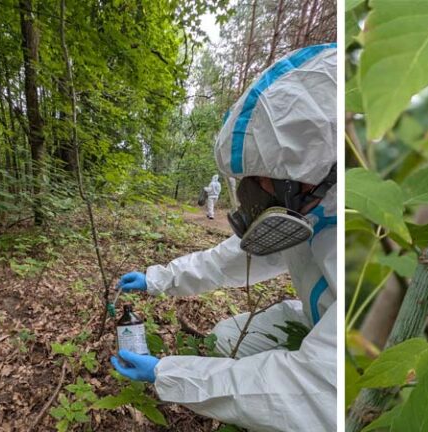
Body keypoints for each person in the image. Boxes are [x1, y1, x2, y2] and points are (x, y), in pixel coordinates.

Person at [112, 43, 336, 432]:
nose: (252, 195)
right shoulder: (304, 212)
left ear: (308, 168)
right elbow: (233, 257)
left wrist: (169, 373)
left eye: (260, 179)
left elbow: (317, 390)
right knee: (225, 336)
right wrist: (155, 278)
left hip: (336, 363)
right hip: (312, 320)